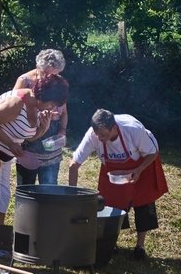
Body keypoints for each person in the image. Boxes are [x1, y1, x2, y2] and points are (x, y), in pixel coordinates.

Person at [68, 109, 168, 260]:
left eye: (104, 135)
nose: (101, 138)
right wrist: (72, 196)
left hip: (142, 161)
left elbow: (152, 152)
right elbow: (73, 165)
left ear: (114, 128)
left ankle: (140, 247)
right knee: (111, 204)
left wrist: (139, 169)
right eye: (98, 134)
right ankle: (112, 243)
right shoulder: (93, 135)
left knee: (143, 202)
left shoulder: (133, 130)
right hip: (114, 170)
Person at [0, 74, 69, 225]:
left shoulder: (37, 107)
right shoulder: (17, 101)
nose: (53, 108)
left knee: (4, 195)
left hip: (5, 156)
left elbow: (29, 138)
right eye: (52, 104)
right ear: (43, 97)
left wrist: (43, 127)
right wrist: (11, 144)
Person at [14, 49, 68, 185]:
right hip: (28, 138)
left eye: (55, 75)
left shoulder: (58, 82)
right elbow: (14, 110)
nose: (51, 78)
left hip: (51, 140)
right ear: (39, 67)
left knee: (50, 186)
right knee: (26, 187)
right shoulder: (24, 81)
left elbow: (64, 111)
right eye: (47, 74)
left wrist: (62, 129)